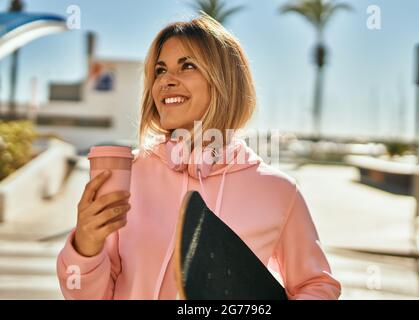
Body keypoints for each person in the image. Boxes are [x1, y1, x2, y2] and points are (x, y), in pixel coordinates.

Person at [56, 14, 341, 300]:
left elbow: (317, 285)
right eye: (160, 70)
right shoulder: (128, 175)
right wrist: (85, 247)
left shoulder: (279, 191)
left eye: (187, 66)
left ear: (225, 80)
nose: (166, 81)